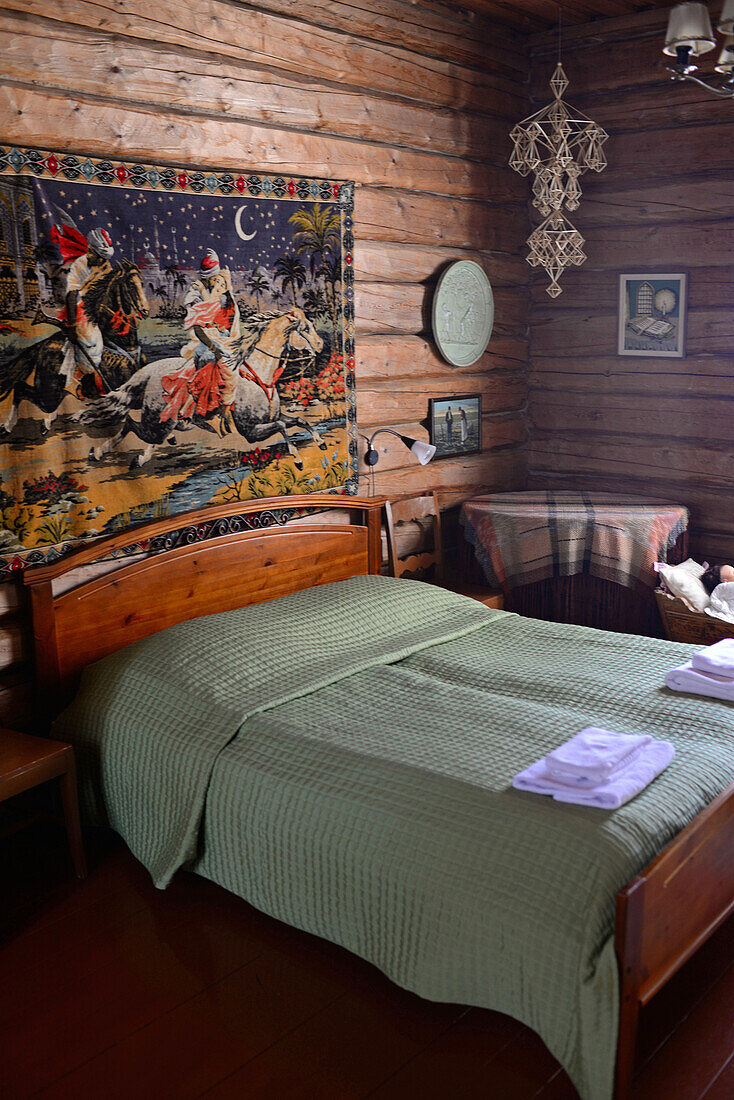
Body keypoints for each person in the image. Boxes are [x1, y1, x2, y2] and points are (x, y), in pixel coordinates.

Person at [161, 249, 240, 436]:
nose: (217, 282)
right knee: (215, 363)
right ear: (208, 278)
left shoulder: (222, 294)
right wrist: (214, 345)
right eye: (215, 279)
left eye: (220, 280)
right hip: (206, 342)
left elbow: (230, 317)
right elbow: (198, 325)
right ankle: (204, 412)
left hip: (225, 339)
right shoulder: (196, 293)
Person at [60, 227, 114, 396]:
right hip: (81, 309)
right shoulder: (80, 264)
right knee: (91, 341)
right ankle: (87, 383)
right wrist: (72, 325)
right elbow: (71, 295)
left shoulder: (105, 265)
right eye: (99, 256)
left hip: (100, 309)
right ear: (91, 250)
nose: (102, 260)